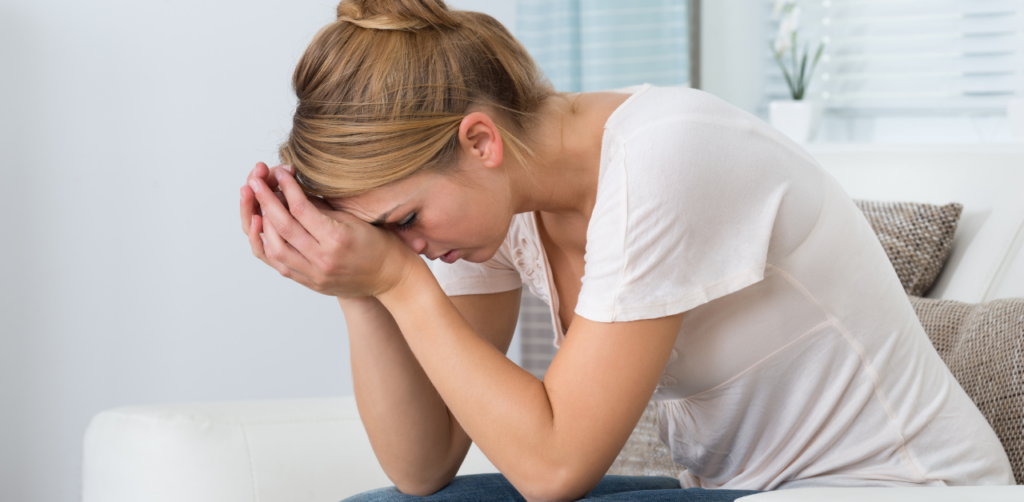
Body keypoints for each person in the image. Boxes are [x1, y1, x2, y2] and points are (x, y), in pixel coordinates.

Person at [238, 1, 1014, 501]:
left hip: (892, 487)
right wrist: (355, 283)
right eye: (386, 233)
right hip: (737, 491)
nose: (410, 245)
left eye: (403, 218)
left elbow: (553, 466)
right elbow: (422, 464)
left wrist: (401, 285)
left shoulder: (665, 155)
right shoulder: (487, 203)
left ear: (479, 139)